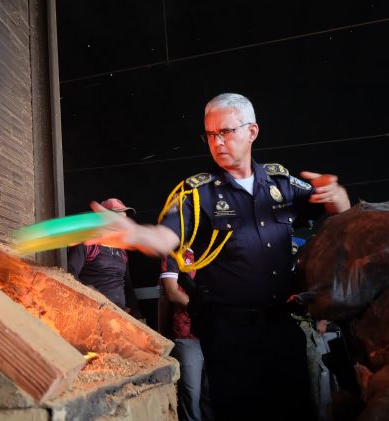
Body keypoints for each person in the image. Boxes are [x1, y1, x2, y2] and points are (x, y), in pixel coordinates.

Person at [87, 93, 350, 419]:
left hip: (283, 328)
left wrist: (338, 196)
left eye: (226, 132)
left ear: (252, 131)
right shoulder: (197, 193)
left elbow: (338, 214)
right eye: (210, 134)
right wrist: (135, 233)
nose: (217, 142)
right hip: (230, 336)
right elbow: (164, 237)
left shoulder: (280, 183)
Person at [161, 249, 213, 421]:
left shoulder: (213, 249)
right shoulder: (176, 254)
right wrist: (200, 309)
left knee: (211, 395)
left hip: (216, 333)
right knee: (192, 396)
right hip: (187, 334)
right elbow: (170, 292)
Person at [67, 198, 136, 310]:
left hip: (120, 314)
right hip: (93, 310)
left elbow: (127, 284)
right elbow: (70, 275)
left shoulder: (122, 250)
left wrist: (136, 313)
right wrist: (90, 292)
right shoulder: (87, 243)